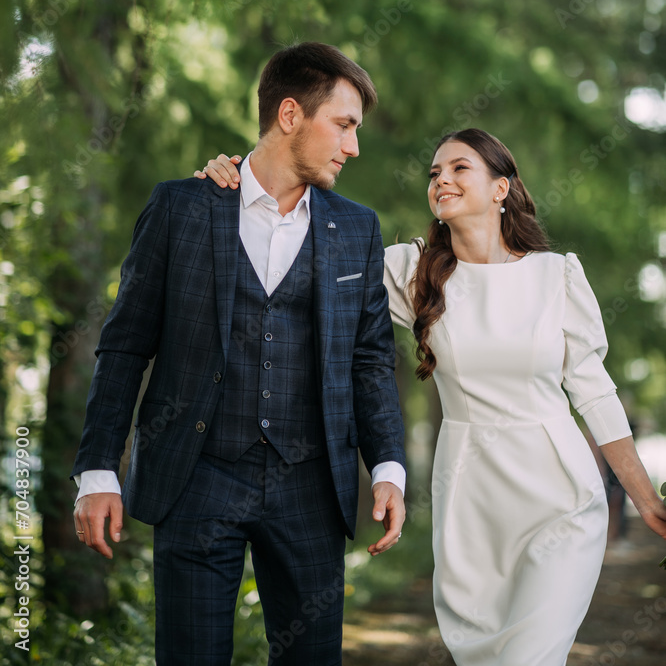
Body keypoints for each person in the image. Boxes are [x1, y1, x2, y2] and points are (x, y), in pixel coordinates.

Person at [202, 127, 666, 666]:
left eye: (460, 168)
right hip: (472, 497)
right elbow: (294, 250)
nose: (442, 178)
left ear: (501, 188)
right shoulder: (413, 270)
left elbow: (595, 393)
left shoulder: (555, 275)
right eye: (434, 172)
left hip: (560, 496)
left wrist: (644, 496)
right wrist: (236, 186)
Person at [71, 42, 406, 666]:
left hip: (312, 487)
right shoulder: (183, 206)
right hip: (196, 478)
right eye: (344, 124)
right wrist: (97, 470)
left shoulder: (357, 228)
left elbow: (369, 359)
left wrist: (387, 465)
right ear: (289, 115)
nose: (353, 147)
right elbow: (125, 344)